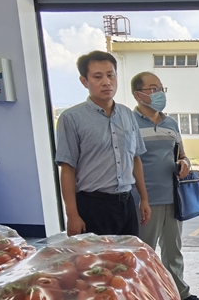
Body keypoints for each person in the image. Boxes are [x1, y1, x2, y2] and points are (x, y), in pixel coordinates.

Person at [131, 71, 199, 300]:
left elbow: (181, 154)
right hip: (144, 200)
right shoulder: (129, 123)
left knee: (173, 250)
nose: (160, 94)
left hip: (174, 197)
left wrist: (185, 163)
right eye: (153, 89)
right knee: (144, 252)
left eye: (161, 89)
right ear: (138, 94)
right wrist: (142, 198)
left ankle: (179, 293)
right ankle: (143, 298)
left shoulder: (171, 124)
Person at [55, 50, 151, 236]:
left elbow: (135, 159)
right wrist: (72, 215)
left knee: (129, 254)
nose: (106, 82)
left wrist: (144, 199)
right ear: (84, 81)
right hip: (93, 206)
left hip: (126, 203)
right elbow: (67, 169)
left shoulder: (127, 114)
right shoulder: (72, 118)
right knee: (98, 255)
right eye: (98, 77)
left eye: (110, 75)